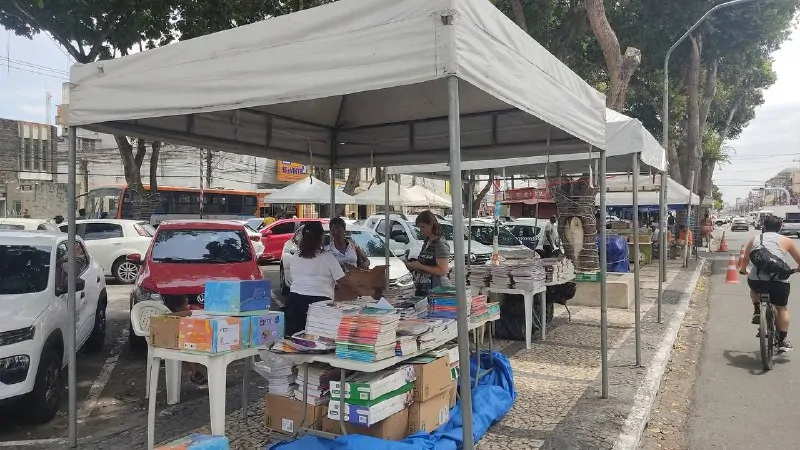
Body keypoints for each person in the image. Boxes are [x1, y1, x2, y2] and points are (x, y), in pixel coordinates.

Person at [739, 215, 800, 352]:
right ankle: (783, 341)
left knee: (752, 284)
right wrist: (796, 270)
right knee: (781, 308)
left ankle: (756, 309)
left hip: (757, 280)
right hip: (778, 281)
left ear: (763, 226)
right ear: (781, 227)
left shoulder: (755, 238)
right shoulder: (787, 240)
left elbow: (746, 259)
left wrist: (743, 270)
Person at [285, 221, 352, 336]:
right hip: (320, 304)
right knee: (319, 341)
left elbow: (294, 277)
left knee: (294, 341)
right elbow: (343, 281)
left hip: (294, 302)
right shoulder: (327, 257)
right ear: (321, 237)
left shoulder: (295, 256)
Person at [404, 211, 450, 297]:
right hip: (423, 287)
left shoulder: (440, 244)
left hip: (436, 288)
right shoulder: (427, 242)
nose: (421, 230)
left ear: (431, 225)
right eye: (419, 228)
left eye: (423, 227)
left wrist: (420, 266)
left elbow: (442, 270)